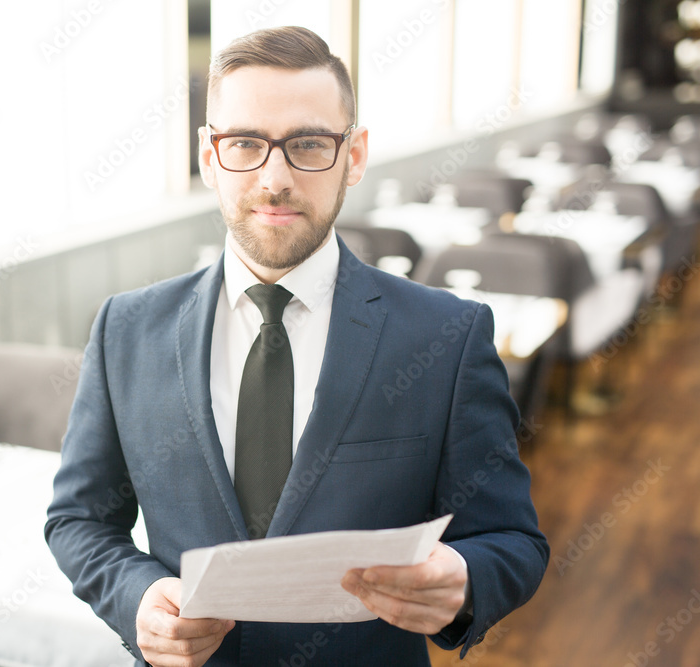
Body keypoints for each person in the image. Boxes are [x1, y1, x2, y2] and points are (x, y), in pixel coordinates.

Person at [46, 26, 548, 666]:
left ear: (355, 156)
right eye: (246, 144)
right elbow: (78, 521)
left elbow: (514, 541)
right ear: (209, 156)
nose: (275, 177)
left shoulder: (445, 338)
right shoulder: (127, 329)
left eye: (309, 144)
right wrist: (137, 597)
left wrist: (466, 580)